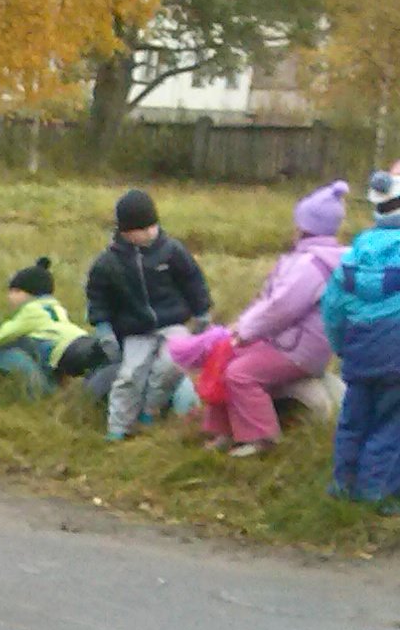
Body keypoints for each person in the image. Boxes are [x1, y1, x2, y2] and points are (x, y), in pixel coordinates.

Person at [167, 180, 347, 457]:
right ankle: (221, 431)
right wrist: (239, 329)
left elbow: (280, 308)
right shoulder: (315, 259)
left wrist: (246, 330)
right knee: (224, 354)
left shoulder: (310, 265)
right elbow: (270, 303)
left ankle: (261, 438)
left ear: (306, 226)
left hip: (298, 349)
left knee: (240, 373)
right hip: (293, 343)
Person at [85, 188, 210, 442]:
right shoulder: (109, 263)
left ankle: (149, 411)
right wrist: (103, 328)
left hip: (173, 322)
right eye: (142, 229)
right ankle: (118, 427)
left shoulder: (172, 251)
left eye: (152, 226)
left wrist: (202, 312)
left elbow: (193, 281)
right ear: (126, 231)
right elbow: (98, 297)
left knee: (171, 365)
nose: (149, 233)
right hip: (136, 329)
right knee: (130, 375)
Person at [322, 170, 400, 512]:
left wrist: (342, 348)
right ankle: (376, 493)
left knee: (353, 421)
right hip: (396, 353)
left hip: (358, 351)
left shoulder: (353, 256)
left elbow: (333, 309)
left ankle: (342, 485)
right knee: (391, 423)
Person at [0, 257, 92, 388]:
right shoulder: (56, 308)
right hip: (80, 339)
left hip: (60, 349)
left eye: (16, 291)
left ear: (32, 294)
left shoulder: (32, 311)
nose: (10, 296)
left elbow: (3, 334)